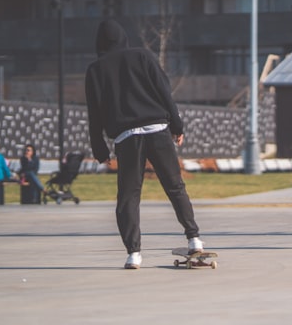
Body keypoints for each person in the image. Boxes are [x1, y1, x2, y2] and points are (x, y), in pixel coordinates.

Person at [85, 19, 204, 270]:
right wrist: (177, 126)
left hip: (126, 138)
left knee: (128, 197)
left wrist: (100, 150)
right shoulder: (142, 56)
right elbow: (164, 91)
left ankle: (133, 254)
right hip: (158, 131)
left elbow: (94, 113)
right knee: (175, 187)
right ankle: (194, 239)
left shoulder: (95, 70)